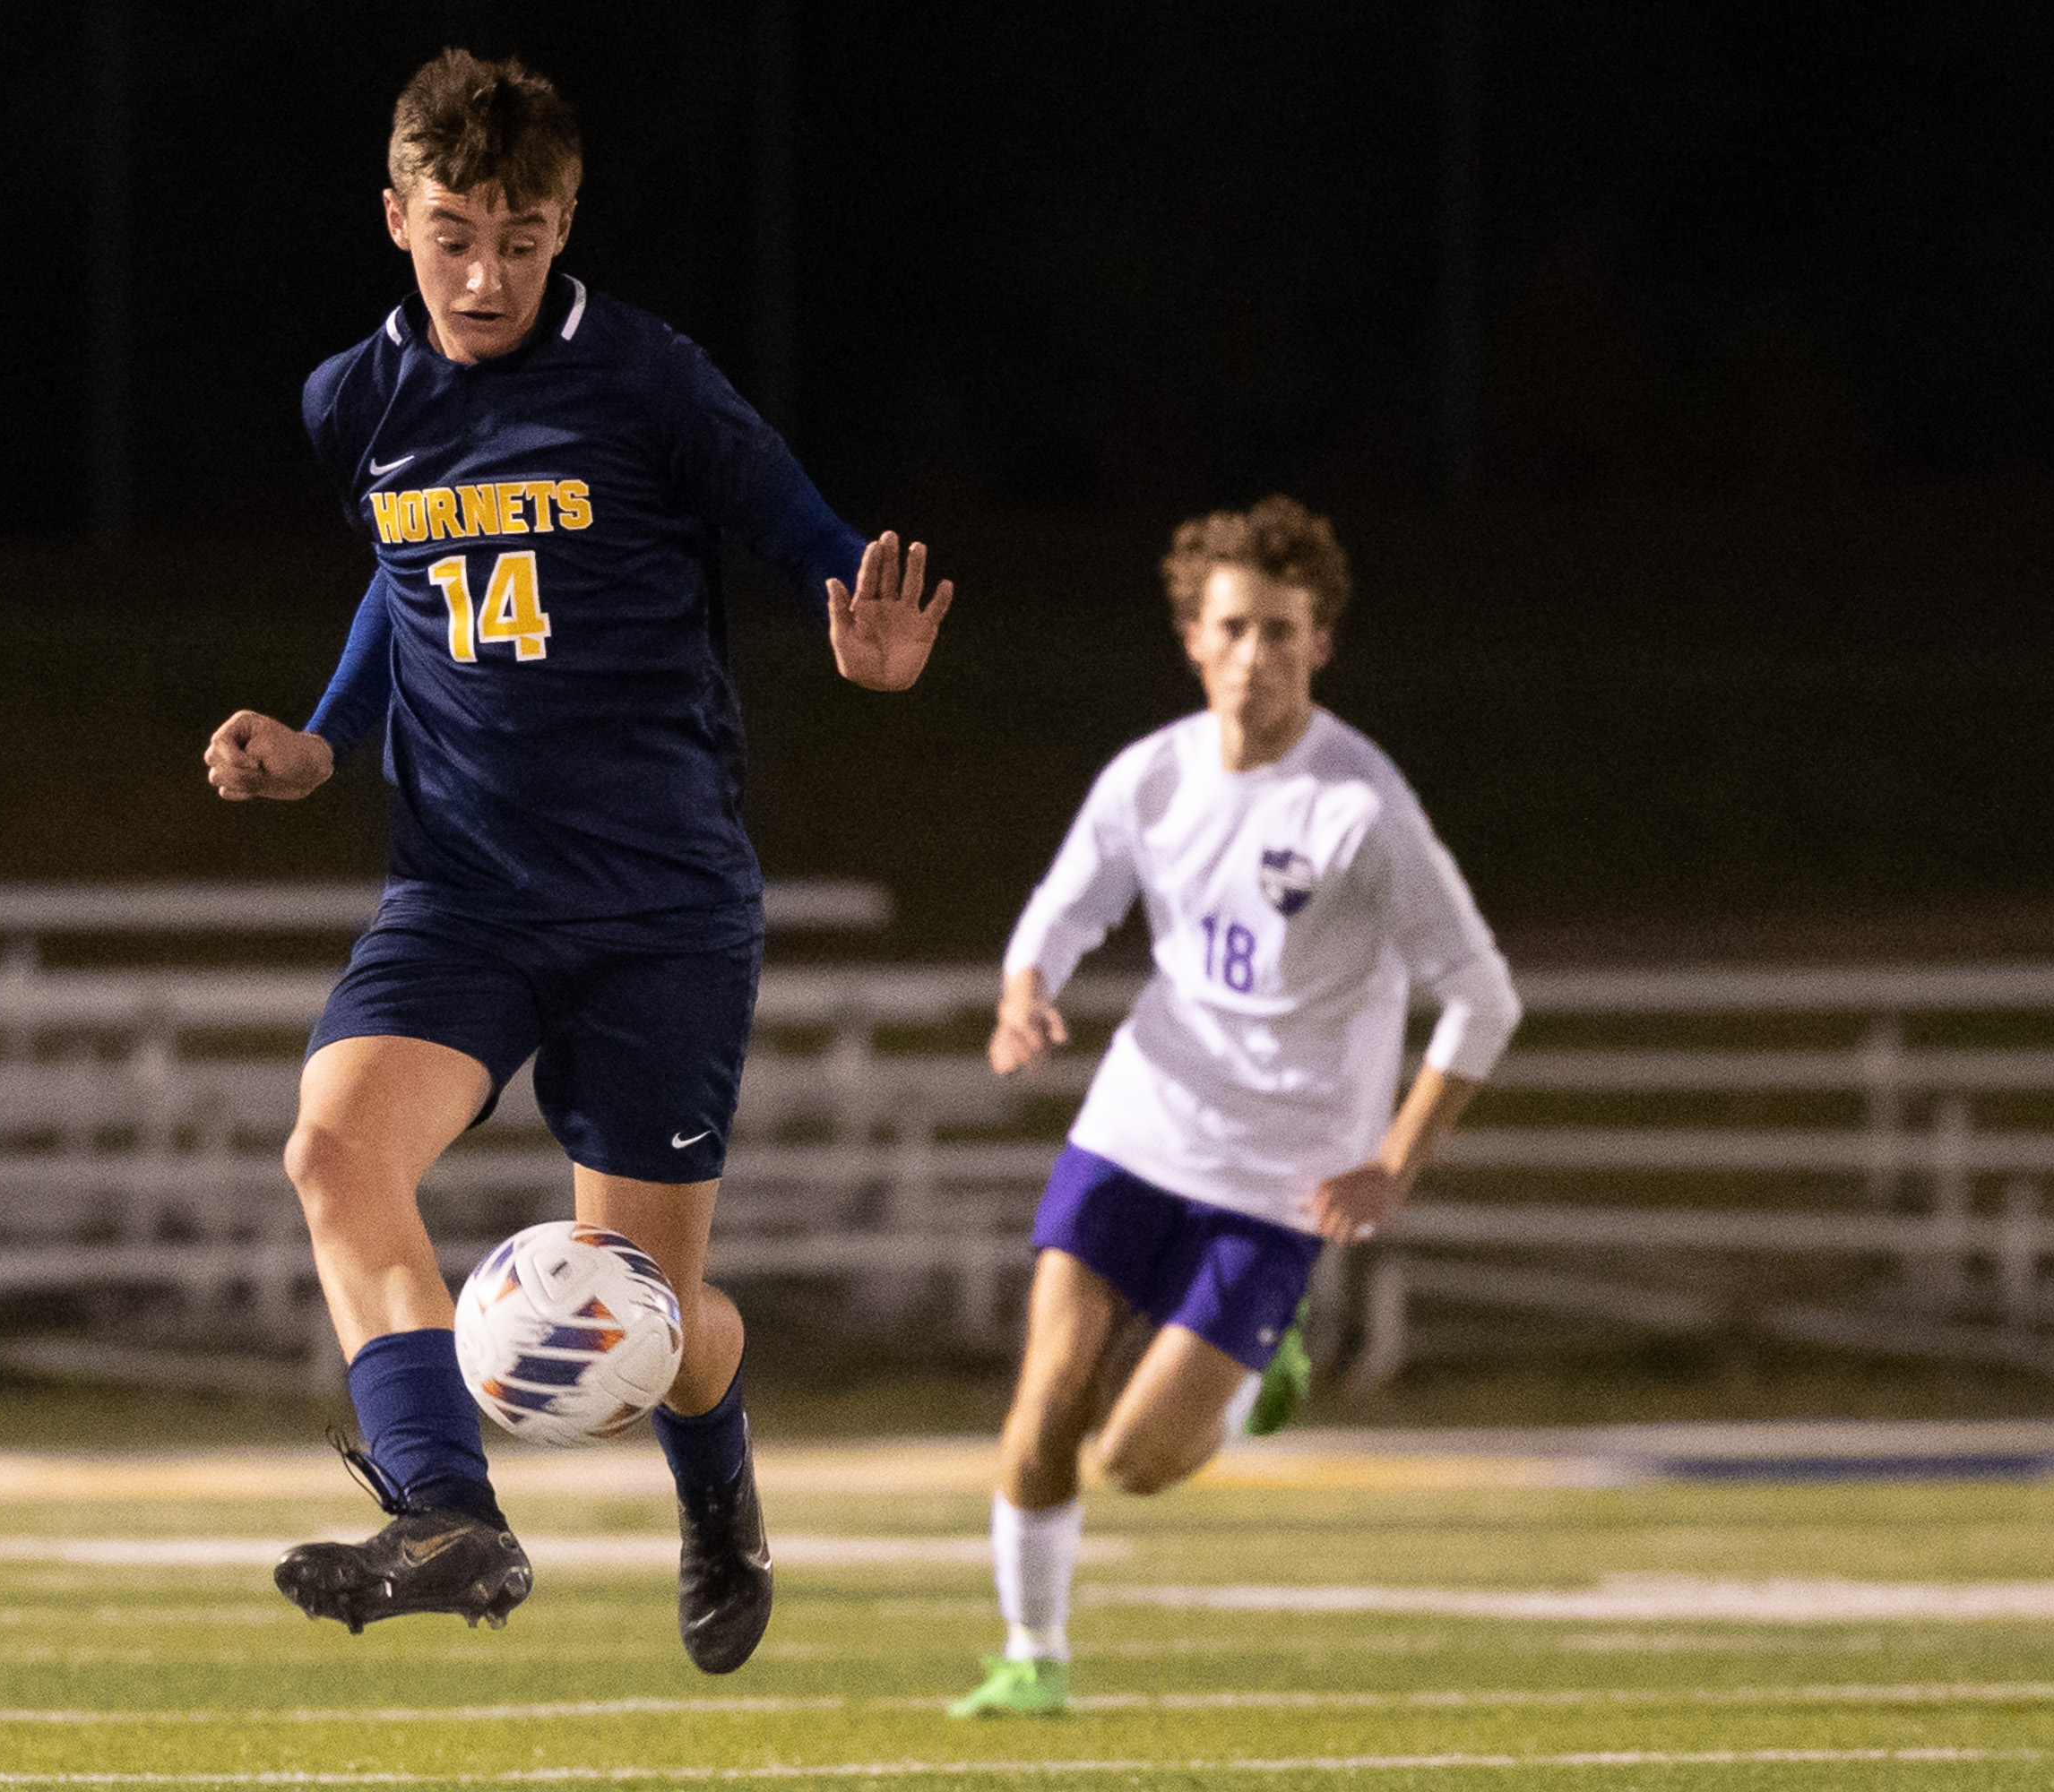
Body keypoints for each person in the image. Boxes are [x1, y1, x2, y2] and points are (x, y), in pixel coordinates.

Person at [201, 48, 953, 1676]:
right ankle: (443, 1509)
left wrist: (868, 638)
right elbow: (406, 576)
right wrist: (330, 739)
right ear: (393, 216)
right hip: (463, 891)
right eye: (455, 232)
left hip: (659, 908)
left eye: (523, 238)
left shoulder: (650, 380)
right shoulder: (357, 400)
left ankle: (720, 1496)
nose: (486, 275)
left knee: (649, 1329)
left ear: (568, 226)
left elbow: (815, 537)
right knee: (335, 1153)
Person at [949, 495, 1515, 1718]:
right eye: (1234, 628)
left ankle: (1262, 1378)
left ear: (1319, 645)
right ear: (1194, 640)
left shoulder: (1361, 806)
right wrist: (1023, 994)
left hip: (1278, 1181)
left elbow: (1484, 999)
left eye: (1281, 631)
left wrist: (1398, 1160)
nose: (1255, 653)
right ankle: (1030, 1657)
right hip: (1135, 1128)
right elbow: (1063, 907)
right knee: (1046, 1397)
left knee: (1136, 1463)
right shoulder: (1150, 778)